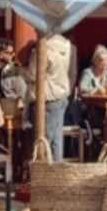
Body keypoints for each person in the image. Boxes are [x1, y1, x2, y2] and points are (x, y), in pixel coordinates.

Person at [25, 32, 73, 160]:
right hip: (61, 94)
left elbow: (33, 74)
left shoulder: (43, 49)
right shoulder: (66, 47)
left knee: (44, 140)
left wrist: (23, 69)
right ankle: (56, 174)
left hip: (47, 97)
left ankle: (43, 173)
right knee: (56, 141)